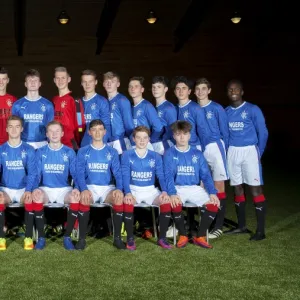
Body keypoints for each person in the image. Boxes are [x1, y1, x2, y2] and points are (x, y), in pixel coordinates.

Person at [164, 120, 220, 249]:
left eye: (185, 133)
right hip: (178, 188)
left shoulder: (197, 153)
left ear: (189, 135)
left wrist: (212, 192)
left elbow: (205, 175)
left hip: (194, 188)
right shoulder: (169, 153)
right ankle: (183, 234)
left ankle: (200, 236)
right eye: (178, 134)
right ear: (174, 136)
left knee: (214, 204)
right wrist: (172, 193)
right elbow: (168, 176)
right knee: (174, 203)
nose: (182, 137)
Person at [225, 80, 268, 241]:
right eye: (230, 89)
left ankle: (260, 231)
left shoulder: (252, 109)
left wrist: (259, 152)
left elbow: (263, 132)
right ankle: (241, 226)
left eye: (236, 89)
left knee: (255, 189)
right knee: (237, 188)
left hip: (250, 151)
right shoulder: (226, 111)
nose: (233, 91)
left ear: (242, 91)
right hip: (233, 152)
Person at [76, 119, 124, 250]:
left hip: (107, 188)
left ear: (105, 132)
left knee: (118, 198)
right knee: (84, 198)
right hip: (90, 187)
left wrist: (119, 189)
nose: (97, 132)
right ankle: (81, 239)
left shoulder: (112, 152)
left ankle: (117, 239)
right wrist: (84, 189)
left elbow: (118, 174)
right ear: (89, 132)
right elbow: (79, 173)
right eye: (94, 129)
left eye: (100, 129)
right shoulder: (83, 151)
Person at [31, 121, 80, 250]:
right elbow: (36, 174)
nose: (54, 134)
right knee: (37, 197)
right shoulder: (40, 152)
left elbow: (75, 174)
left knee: (75, 198)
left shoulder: (69, 152)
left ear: (62, 133)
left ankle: (67, 237)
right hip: (46, 188)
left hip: (64, 189)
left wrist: (77, 188)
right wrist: (35, 188)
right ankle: (41, 238)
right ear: (46, 134)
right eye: (51, 131)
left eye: (57, 131)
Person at [121, 126, 171, 250]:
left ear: (149, 139)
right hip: (133, 189)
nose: (142, 141)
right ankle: (130, 239)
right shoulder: (127, 155)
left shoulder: (156, 156)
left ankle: (162, 238)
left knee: (165, 201)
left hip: (150, 190)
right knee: (127, 202)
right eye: (138, 138)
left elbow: (161, 176)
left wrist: (164, 191)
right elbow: (125, 176)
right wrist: (127, 192)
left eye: (145, 138)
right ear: (133, 139)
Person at [194, 78, 229, 239]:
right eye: (198, 89)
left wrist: (225, 151)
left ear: (209, 90)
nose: (200, 92)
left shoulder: (216, 108)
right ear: (194, 91)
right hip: (200, 148)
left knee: (218, 184)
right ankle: (205, 224)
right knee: (202, 185)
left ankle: (219, 225)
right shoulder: (193, 108)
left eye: (203, 89)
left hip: (215, 147)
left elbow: (225, 132)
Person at [0, 115, 36, 250]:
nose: (14, 130)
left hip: (22, 189)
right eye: (11, 126)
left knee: (30, 199)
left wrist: (28, 190)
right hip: (6, 189)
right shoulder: (1, 149)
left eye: (17, 126)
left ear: (22, 129)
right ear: (6, 129)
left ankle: (28, 237)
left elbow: (33, 173)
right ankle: (1, 237)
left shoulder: (29, 149)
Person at [12, 69, 54, 149]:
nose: (33, 82)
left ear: (40, 84)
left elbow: (51, 128)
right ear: (25, 84)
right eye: (30, 80)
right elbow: (14, 128)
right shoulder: (17, 105)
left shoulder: (48, 105)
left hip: (43, 143)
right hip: (23, 143)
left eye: (35, 80)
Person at [172, 76, 208, 151]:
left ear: (189, 91)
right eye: (178, 88)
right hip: (179, 147)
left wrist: (203, 149)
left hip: (193, 147)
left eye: (184, 88)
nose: (181, 91)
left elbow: (203, 131)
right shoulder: (174, 108)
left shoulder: (195, 108)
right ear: (175, 92)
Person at [128, 76, 163, 152]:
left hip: (144, 146)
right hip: (133, 145)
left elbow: (158, 127)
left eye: (136, 86)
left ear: (142, 89)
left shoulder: (146, 106)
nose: (132, 89)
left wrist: (149, 141)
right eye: (130, 87)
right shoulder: (130, 107)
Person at [103, 71, 134, 154]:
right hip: (107, 142)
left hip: (120, 142)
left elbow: (129, 125)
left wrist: (133, 142)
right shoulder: (103, 102)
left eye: (112, 82)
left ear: (118, 84)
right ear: (103, 84)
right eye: (107, 82)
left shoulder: (122, 100)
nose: (109, 84)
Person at [79, 70, 111, 147]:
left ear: (95, 82)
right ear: (81, 83)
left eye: (90, 81)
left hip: (97, 145)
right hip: (83, 145)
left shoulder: (102, 101)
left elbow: (106, 125)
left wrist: (101, 145)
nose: (87, 84)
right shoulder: (77, 102)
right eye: (85, 82)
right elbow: (79, 126)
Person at [52, 66, 80, 149]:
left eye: (63, 78)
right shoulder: (54, 100)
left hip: (69, 144)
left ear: (69, 79)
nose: (60, 81)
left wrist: (76, 141)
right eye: (58, 78)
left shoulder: (75, 99)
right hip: (55, 143)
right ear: (54, 80)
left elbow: (80, 124)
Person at [152, 76, 177, 152]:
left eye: (159, 87)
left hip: (164, 146)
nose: (155, 89)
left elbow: (172, 130)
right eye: (154, 87)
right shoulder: (153, 107)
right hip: (153, 144)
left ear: (165, 89)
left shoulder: (169, 108)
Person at [0, 67, 17, 145]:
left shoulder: (14, 100)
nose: (1, 82)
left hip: (10, 143)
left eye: (4, 79)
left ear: (8, 80)